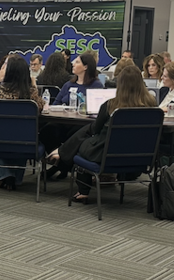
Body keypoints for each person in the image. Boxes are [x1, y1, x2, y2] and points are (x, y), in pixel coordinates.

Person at [48, 64, 156, 203]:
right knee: (86, 138)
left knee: (83, 145)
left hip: (108, 154)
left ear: (120, 84)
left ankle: (83, 191)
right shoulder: (152, 105)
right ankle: (61, 153)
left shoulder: (111, 105)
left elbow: (95, 130)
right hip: (141, 155)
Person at [0, 55, 44, 190]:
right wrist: (33, 86)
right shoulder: (30, 95)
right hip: (27, 144)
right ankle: (14, 178)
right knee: (22, 135)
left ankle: (6, 176)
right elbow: (41, 108)